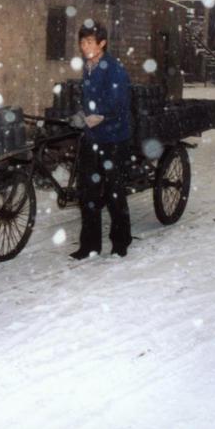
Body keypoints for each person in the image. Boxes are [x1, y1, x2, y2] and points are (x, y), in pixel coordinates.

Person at [70, 20, 133, 259]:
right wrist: (81, 113)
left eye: (88, 41)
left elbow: (117, 103)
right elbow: (88, 100)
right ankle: (90, 245)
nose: (84, 46)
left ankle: (120, 242)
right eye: (82, 42)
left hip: (114, 138)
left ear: (102, 43)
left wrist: (94, 117)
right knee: (87, 192)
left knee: (114, 190)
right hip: (92, 138)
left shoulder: (114, 68)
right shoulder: (88, 67)